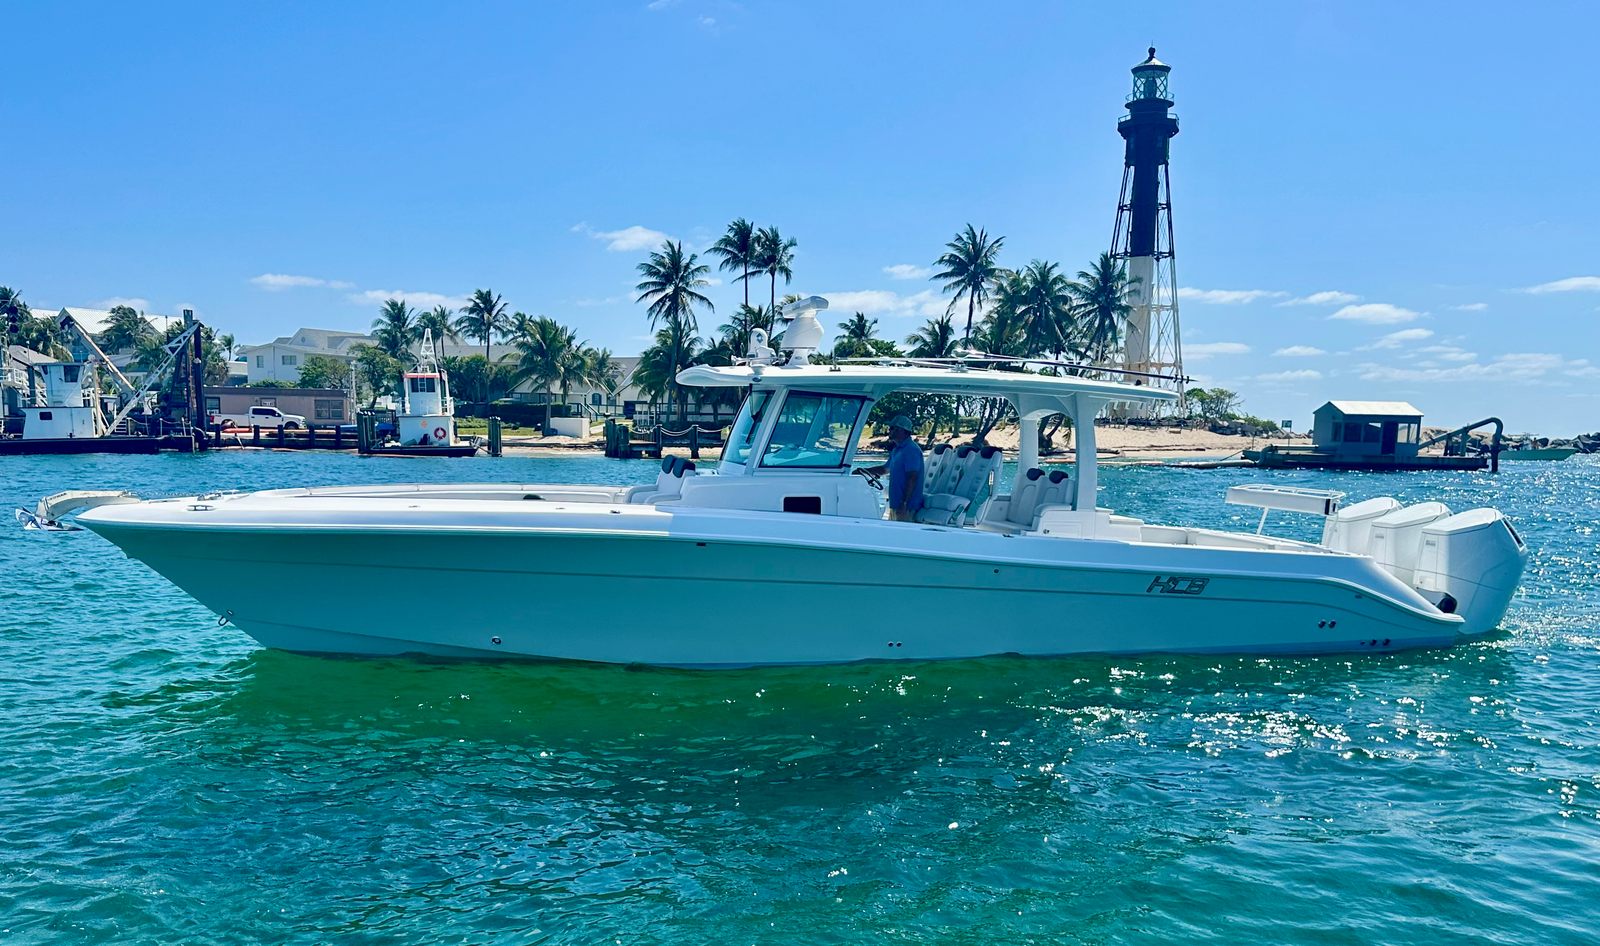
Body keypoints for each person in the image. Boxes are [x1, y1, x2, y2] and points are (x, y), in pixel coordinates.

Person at [863, 415, 924, 521]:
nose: (889, 431)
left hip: (907, 507)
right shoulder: (897, 450)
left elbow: (912, 477)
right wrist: (864, 471)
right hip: (895, 504)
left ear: (903, 431)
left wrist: (904, 503)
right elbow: (885, 470)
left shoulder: (911, 450)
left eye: (893, 428)